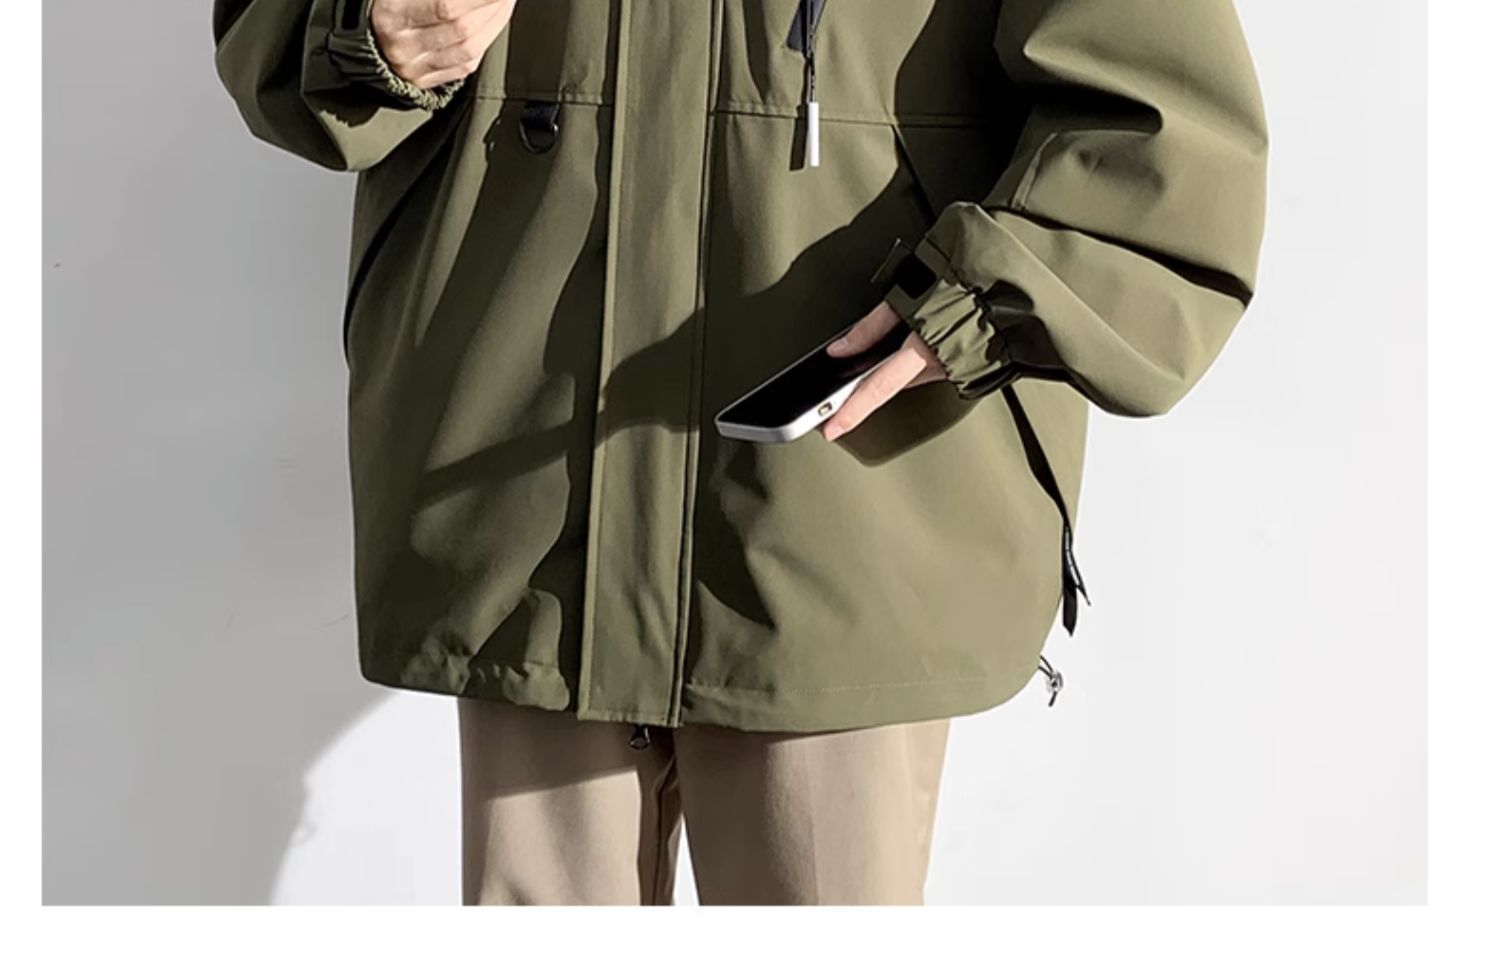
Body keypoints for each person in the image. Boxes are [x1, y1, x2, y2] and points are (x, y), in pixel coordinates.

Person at [212, 0, 1268, 905]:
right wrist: (368, 31)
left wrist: (979, 301)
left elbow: (1165, 131)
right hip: (524, 484)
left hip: (839, 512)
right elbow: (276, 33)